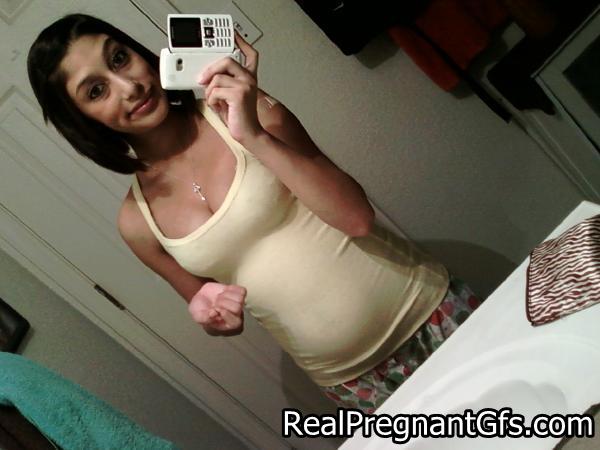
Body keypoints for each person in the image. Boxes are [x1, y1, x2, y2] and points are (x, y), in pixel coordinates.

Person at [27, 14, 481, 413]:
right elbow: (208, 304)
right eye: (96, 90)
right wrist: (212, 319)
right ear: (82, 120)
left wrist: (253, 136)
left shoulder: (249, 110)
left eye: (120, 58)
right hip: (354, 384)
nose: (130, 87)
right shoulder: (136, 224)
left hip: (429, 314)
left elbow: (357, 218)